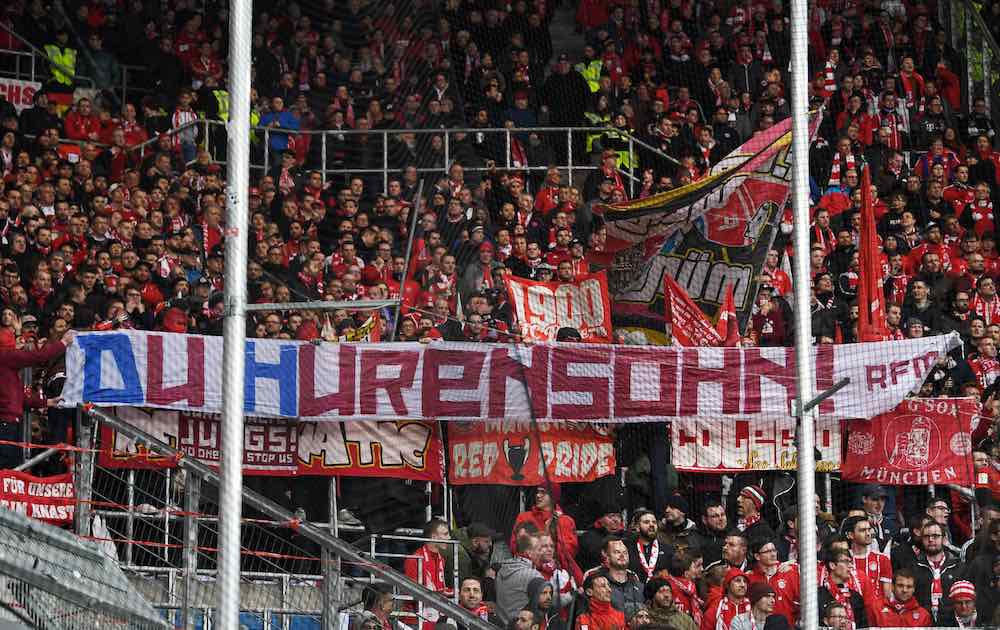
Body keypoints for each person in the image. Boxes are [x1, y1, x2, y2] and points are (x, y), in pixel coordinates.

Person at [0, 328, 73, 469]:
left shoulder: (7, 370)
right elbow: (38, 356)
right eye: (16, 339)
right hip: (6, 424)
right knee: (7, 468)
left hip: (10, 423)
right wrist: (63, 343)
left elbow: (20, 397)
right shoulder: (4, 355)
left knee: (12, 467)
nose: (20, 343)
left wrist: (47, 402)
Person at [511, 486, 582, 584]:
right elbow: (516, 547)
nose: (538, 496)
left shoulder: (565, 521)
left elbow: (569, 552)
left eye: (543, 493)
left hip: (560, 576)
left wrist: (553, 529)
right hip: (529, 573)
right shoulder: (524, 517)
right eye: (537, 492)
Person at [404, 519, 454, 630]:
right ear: (434, 537)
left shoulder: (441, 559)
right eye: (445, 534)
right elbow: (410, 594)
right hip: (415, 618)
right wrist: (440, 593)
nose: (449, 538)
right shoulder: (414, 559)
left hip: (436, 614)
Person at [912, 520, 964, 623]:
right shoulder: (913, 568)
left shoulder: (959, 567)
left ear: (944, 539)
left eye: (935, 536)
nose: (930, 539)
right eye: (926, 536)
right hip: (922, 622)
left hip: (953, 624)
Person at [584, 537, 645, 618]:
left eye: (625, 552)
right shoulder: (600, 586)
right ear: (607, 557)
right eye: (617, 552)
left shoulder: (639, 585)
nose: (622, 555)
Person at [747, 540, 799, 626]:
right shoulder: (750, 577)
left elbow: (800, 603)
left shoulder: (790, 572)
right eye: (767, 551)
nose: (773, 554)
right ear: (757, 556)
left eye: (774, 550)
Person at [496, 534, 545, 625]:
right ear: (529, 553)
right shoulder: (533, 575)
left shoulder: (502, 569)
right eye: (539, 549)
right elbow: (549, 601)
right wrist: (570, 592)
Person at [843, 514, 892, 600]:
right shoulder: (843, 560)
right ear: (850, 535)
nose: (868, 533)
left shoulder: (882, 559)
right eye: (862, 530)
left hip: (875, 610)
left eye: (869, 529)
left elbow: (887, 595)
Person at [864, 568, 932, 627]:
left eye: (909, 587)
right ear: (892, 586)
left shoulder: (923, 615)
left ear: (914, 589)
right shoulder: (876, 609)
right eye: (900, 585)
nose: (904, 590)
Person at [817, 551, 866, 629]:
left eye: (851, 562)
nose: (851, 566)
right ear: (832, 565)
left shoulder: (856, 597)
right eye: (846, 562)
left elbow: (863, 627)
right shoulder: (817, 596)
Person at [627, 509, 671, 582]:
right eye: (646, 522)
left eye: (654, 522)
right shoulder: (628, 548)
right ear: (637, 527)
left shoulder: (668, 550)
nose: (651, 525)